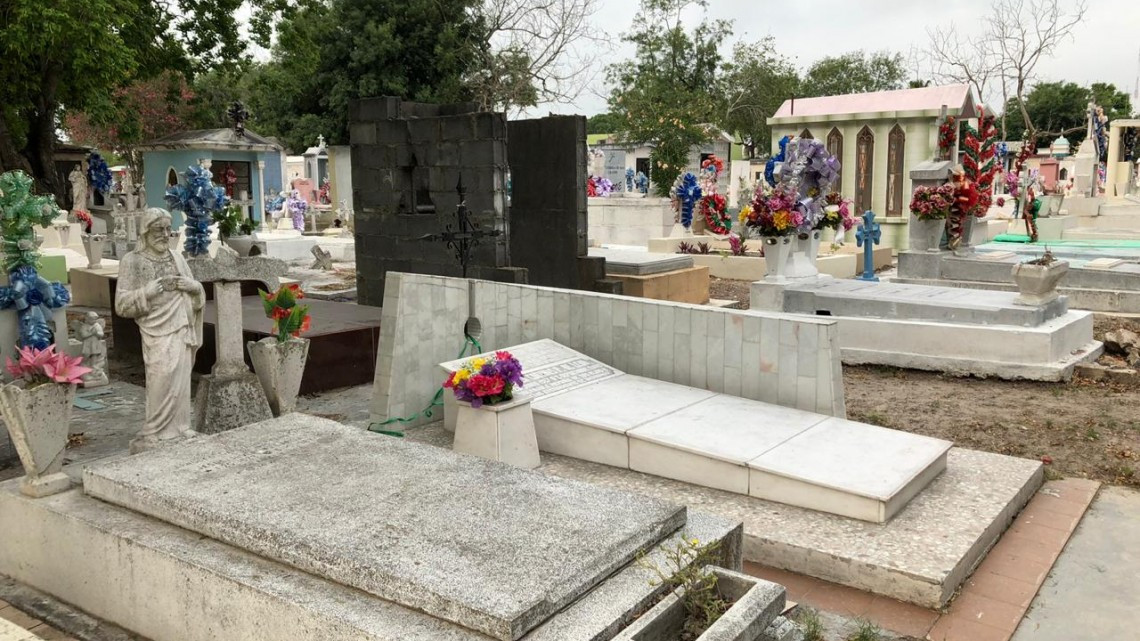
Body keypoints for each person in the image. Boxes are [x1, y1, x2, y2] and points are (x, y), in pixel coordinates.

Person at [114, 208, 205, 452]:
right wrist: (148, 292)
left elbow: (198, 293)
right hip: (155, 331)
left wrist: (193, 287)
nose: (165, 234)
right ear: (145, 232)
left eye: (168, 229)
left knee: (181, 378)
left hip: (181, 326)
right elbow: (122, 305)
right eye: (159, 230)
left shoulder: (177, 258)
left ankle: (182, 427)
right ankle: (153, 431)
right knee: (161, 377)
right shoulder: (131, 261)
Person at [946, 165, 979, 253]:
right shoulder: (958, 183)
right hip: (955, 207)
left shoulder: (965, 184)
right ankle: (953, 242)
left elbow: (967, 198)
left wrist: (956, 199)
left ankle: (954, 243)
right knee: (953, 224)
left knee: (957, 224)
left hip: (959, 207)